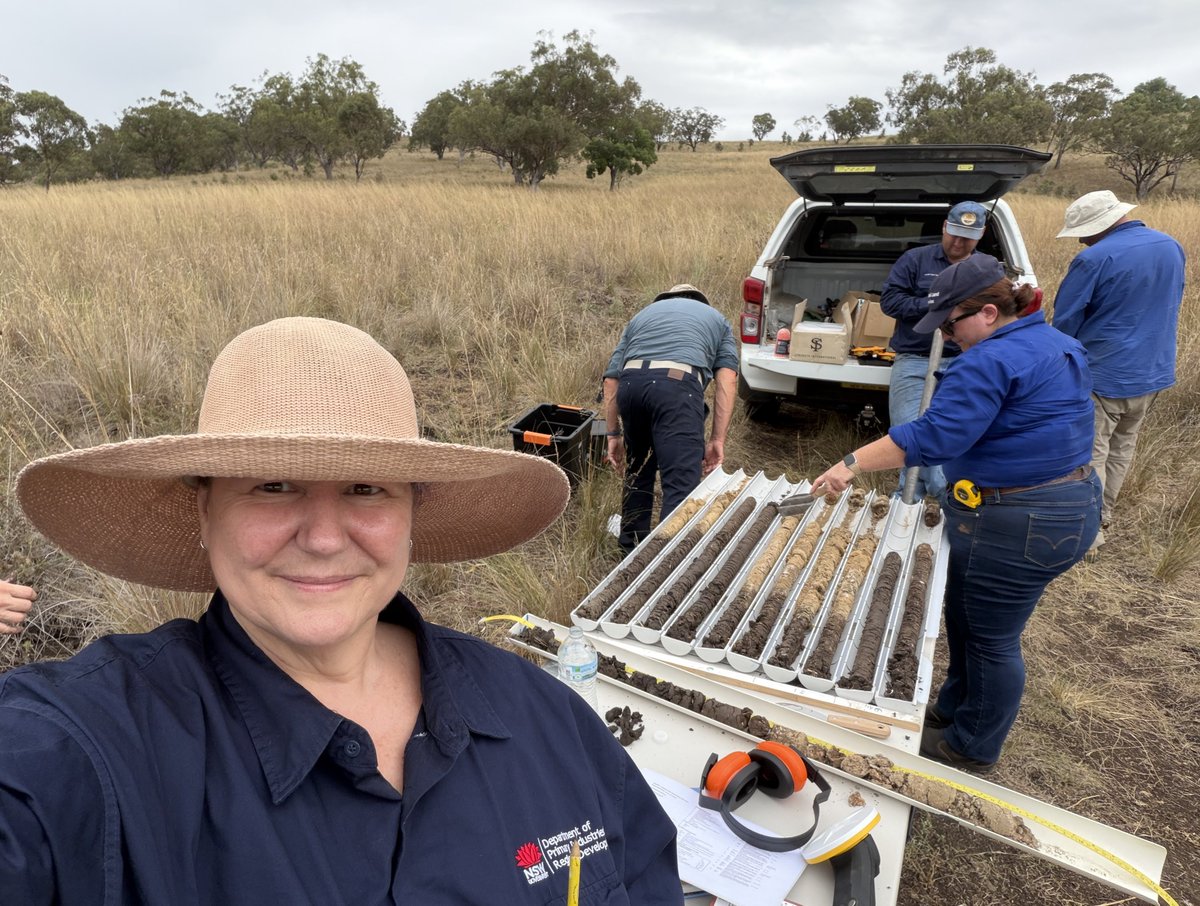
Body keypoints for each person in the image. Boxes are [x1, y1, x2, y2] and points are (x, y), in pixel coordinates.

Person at [0, 317, 682, 905]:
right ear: (205, 513)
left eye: (365, 488)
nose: (324, 538)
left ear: (413, 514)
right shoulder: (93, 742)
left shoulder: (544, 717)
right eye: (273, 485)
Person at [812, 255, 1101, 772]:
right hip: (1067, 506)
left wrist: (849, 464)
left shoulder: (988, 359)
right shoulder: (1057, 342)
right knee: (968, 618)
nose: (947, 335)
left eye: (951, 323)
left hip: (1019, 517)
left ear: (989, 313)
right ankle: (951, 710)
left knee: (991, 638)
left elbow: (932, 437)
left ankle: (970, 748)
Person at [1052, 190, 1186, 560]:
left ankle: (1088, 534)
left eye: (1084, 231)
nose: (1081, 239)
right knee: (1123, 447)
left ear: (1102, 225)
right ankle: (1104, 516)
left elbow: (1065, 321)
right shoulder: (1170, 246)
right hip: (1154, 369)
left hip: (1104, 373)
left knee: (1090, 452)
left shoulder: (1093, 258)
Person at [603, 283, 738, 553]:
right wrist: (717, 439)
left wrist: (613, 435)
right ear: (701, 300)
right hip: (677, 389)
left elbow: (610, 381)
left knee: (638, 474)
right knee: (679, 484)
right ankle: (666, 568)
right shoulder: (717, 321)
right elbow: (727, 381)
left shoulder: (641, 316)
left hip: (632, 387)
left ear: (665, 298)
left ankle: (630, 555)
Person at [880, 201, 989, 501]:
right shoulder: (915, 260)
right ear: (944, 227)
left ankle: (908, 501)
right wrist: (935, 305)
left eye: (967, 237)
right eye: (953, 233)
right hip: (914, 361)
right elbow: (890, 302)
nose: (958, 242)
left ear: (981, 235)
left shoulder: (987, 269)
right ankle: (947, 498)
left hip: (965, 363)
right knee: (910, 434)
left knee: (954, 436)